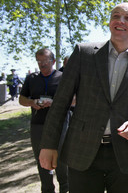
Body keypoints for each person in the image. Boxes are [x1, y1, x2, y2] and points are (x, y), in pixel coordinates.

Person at [39, 2, 128, 193]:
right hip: (82, 152)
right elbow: (60, 103)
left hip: (124, 155)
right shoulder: (84, 53)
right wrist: (49, 145)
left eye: (127, 18)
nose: (120, 21)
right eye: (116, 16)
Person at [19, 48, 69, 193]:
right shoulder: (31, 78)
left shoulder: (63, 77)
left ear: (53, 61)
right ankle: (47, 190)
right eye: (39, 61)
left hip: (60, 124)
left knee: (61, 161)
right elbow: (22, 99)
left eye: (45, 61)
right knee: (42, 161)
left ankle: (65, 189)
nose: (42, 64)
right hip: (38, 125)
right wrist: (32, 102)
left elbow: (74, 100)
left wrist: (55, 103)